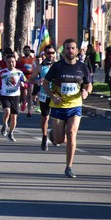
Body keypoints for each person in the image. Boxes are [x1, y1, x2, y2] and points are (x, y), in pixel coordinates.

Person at [43, 38, 93, 178]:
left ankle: (69, 167)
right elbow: (46, 84)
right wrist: (52, 97)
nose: (70, 51)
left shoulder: (82, 67)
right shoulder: (57, 67)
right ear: (63, 51)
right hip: (58, 106)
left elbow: (89, 84)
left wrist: (86, 92)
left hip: (75, 105)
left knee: (71, 133)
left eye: (72, 48)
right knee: (59, 140)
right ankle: (55, 134)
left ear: (77, 51)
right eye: (67, 48)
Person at [29, 44, 57, 151]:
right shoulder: (40, 67)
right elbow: (30, 79)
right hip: (44, 95)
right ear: (44, 54)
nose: (50, 55)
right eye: (48, 53)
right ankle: (45, 137)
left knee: (56, 118)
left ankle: (55, 135)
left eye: (52, 53)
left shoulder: (58, 65)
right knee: (45, 118)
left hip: (56, 95)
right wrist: (37, 81)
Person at [0, 54, 27, 142]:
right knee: (7, 111)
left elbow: (26, 82)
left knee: (14, 117)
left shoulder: (19, 73)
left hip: (15, 96)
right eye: (9, 62)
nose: (11, 64)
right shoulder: (2, 72)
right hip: (4, 95)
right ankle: (5, 124)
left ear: (15, 62)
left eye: (12, 62)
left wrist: (24, 85)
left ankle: (11, 132)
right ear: (6, 63)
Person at [18, 45, 36, 117]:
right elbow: (18, 66)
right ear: (23, 51)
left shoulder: (33, 59)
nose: (27, 52)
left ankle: (29, 111)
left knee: (29, 94)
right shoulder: (21, 59)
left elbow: (35, 67)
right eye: (25, 50)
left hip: (30, 78)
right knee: (22, 93)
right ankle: (23, 102)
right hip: (23, 77)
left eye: (28, 50)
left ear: (29, 51)